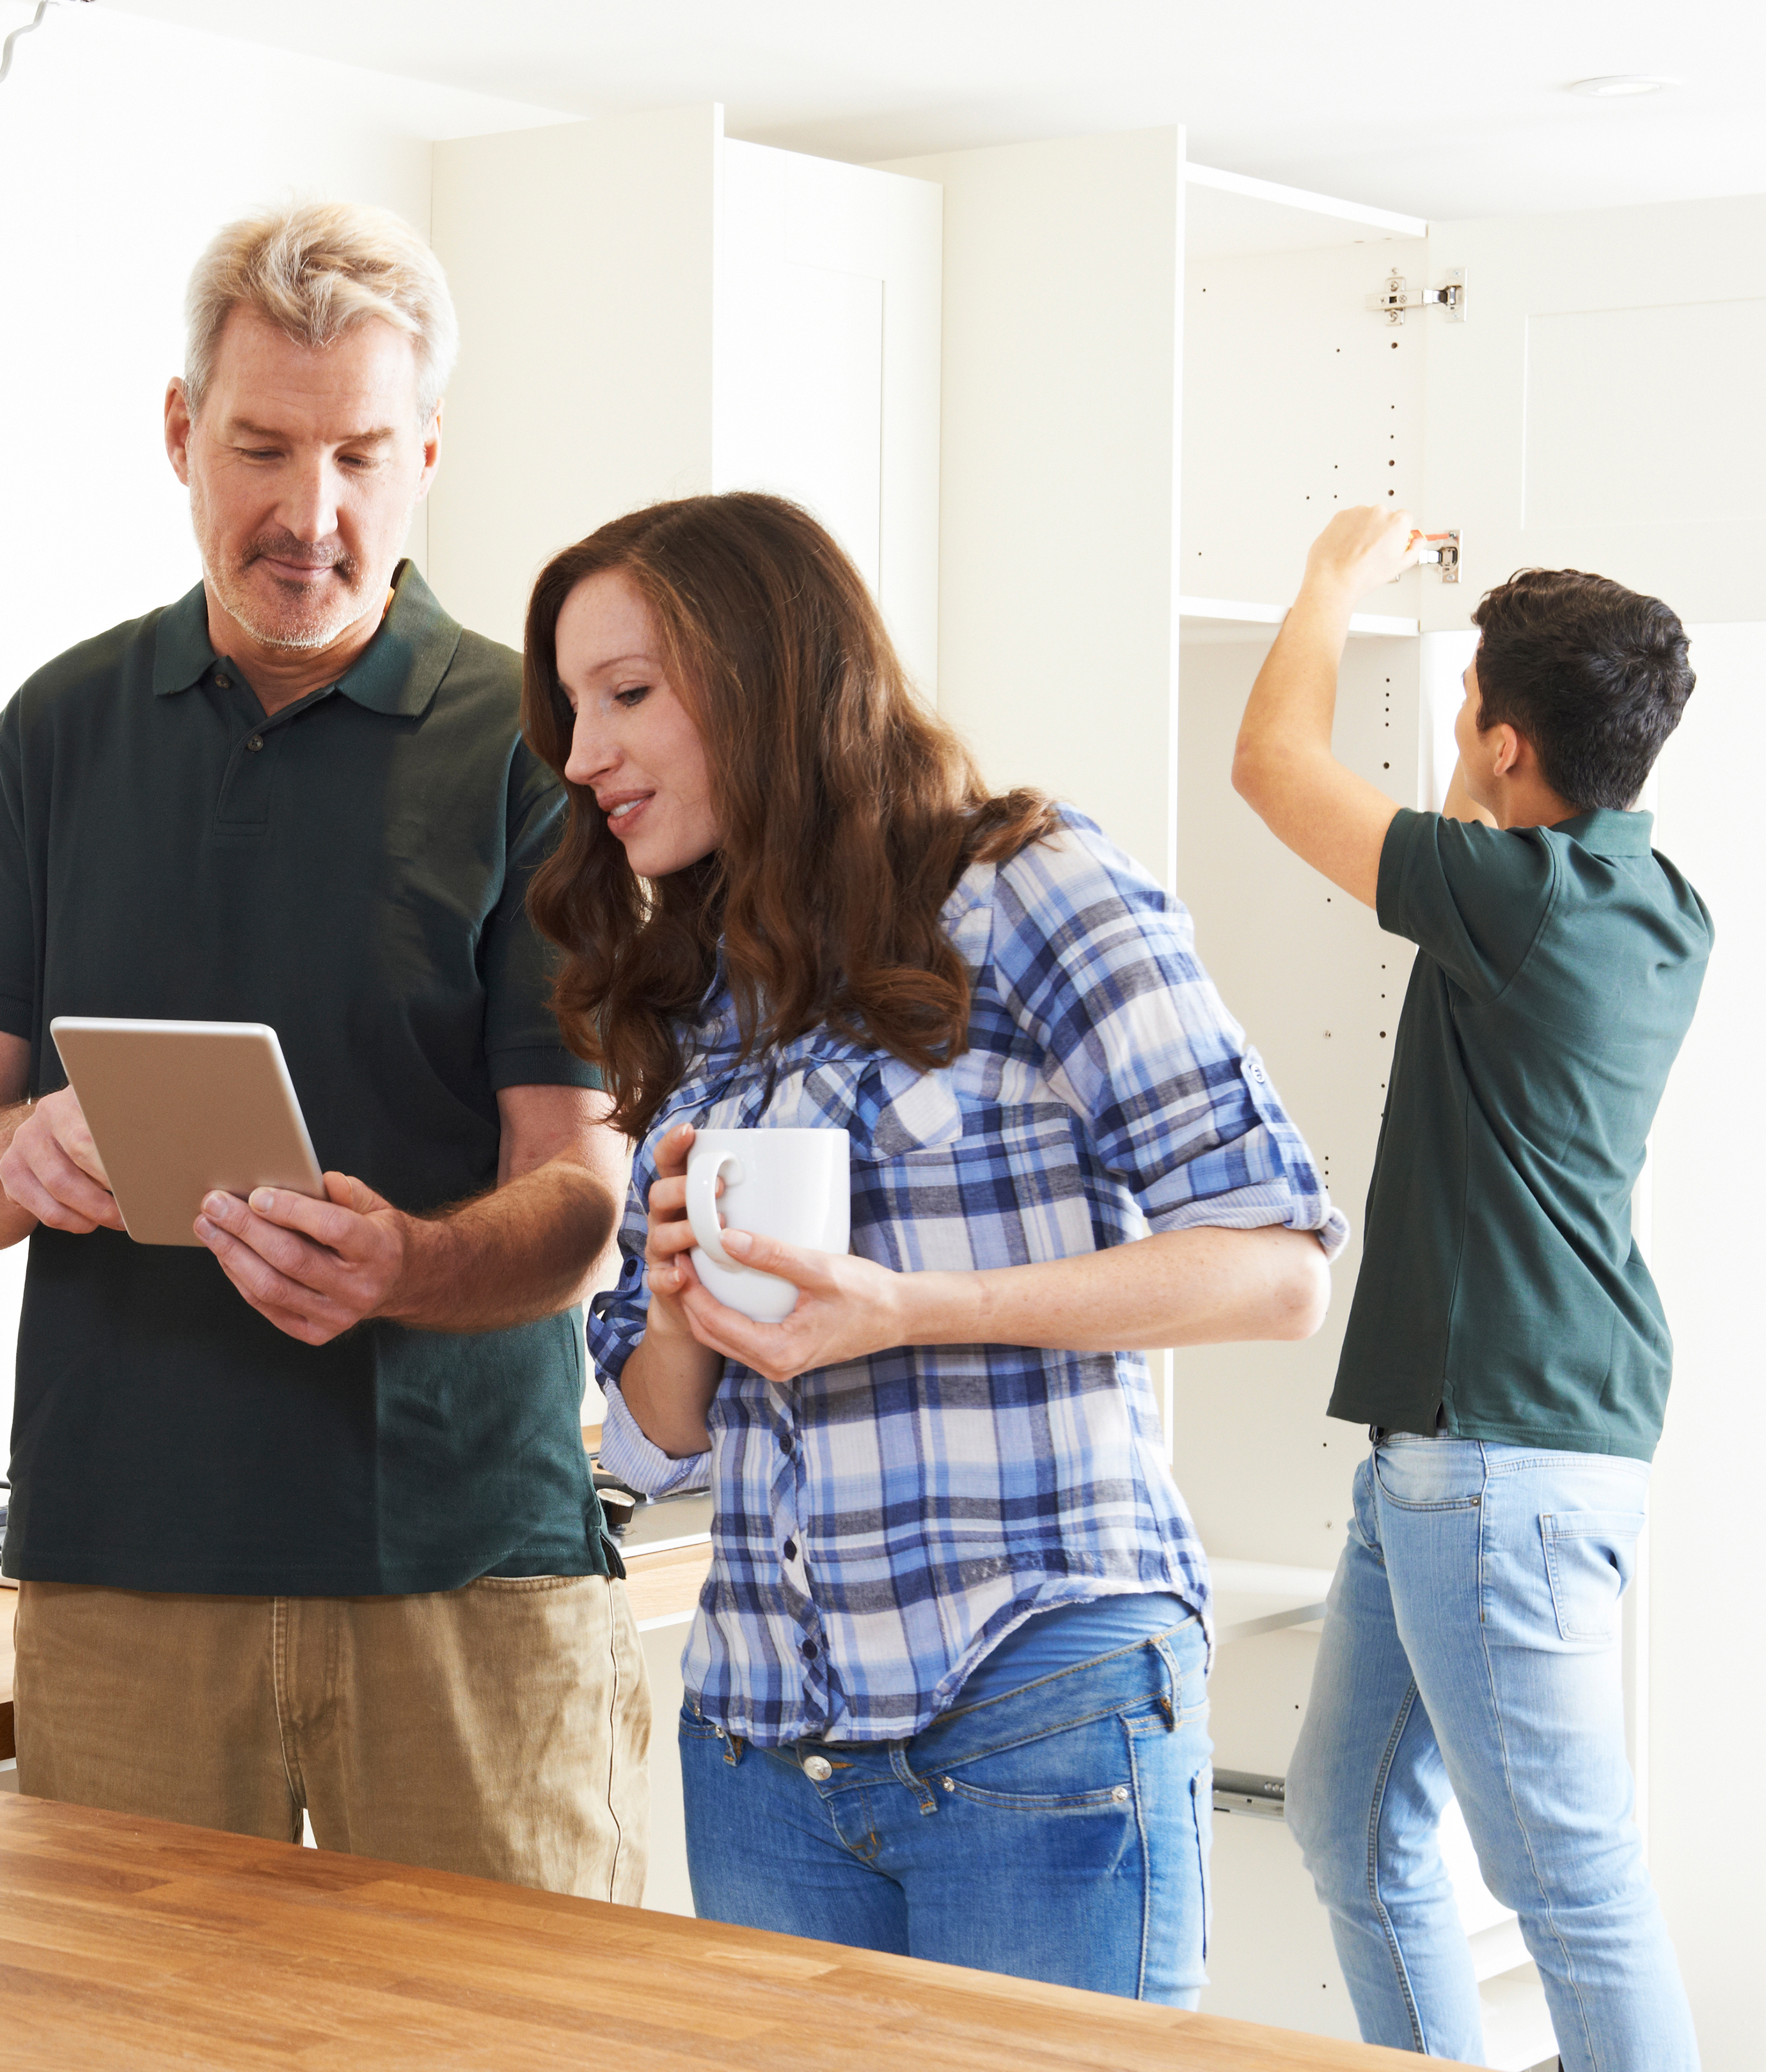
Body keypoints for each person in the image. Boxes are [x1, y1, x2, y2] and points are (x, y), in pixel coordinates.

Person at [0, 202, 645, 1900]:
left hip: (468, 1571)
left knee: (506, 2043)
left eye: (365, 456)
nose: (313, 516)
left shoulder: (532, 749)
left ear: (429, 454)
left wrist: (409, 1264)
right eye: (263, 449)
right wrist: (14, 1153)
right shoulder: (58, 733)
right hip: (125, 1576)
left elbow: (581, 1183)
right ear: (181, 433)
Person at [540, 491, 1343, 2004]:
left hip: (1034, 1706)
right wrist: (679, 1317)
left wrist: (907, 1309)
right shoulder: (700, 984)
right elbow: (652, 1448)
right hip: (763, 1752)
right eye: (573, 710)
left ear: (763, 671)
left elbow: (1276, 1261)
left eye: (628, 695)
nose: (584, 757)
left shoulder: (1028, 884)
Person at [1234, 506, 1709, 2069]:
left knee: (1571, 1885)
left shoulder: (1520, 900)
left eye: (1467, 720)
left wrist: (1329, 582)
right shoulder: (1654, 903)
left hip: (1495, 1461)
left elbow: (1273, 771)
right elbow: (1471, 823)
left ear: (1506, 743)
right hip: (1479, 1450)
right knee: (1348, 1825)